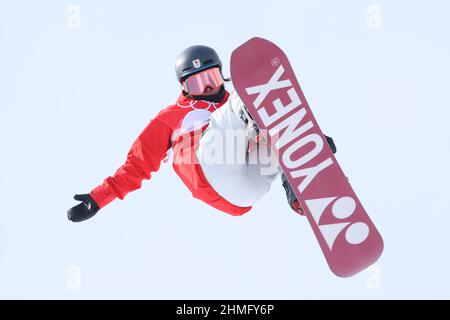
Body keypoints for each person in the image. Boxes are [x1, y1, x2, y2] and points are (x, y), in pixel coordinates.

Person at [67, 45, 336, 222]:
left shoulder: (231, 108)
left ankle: (298, 184)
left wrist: (306, 139)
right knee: (250, 94)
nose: (207, 88)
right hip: (207, 167)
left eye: (212, 79)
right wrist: (98, 198)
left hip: (245, 192)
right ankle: (271, 127)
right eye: (197, 82)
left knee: (270, 138)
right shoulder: (170, 117)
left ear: (221, 76)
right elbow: (137, 165)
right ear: (184, 87)